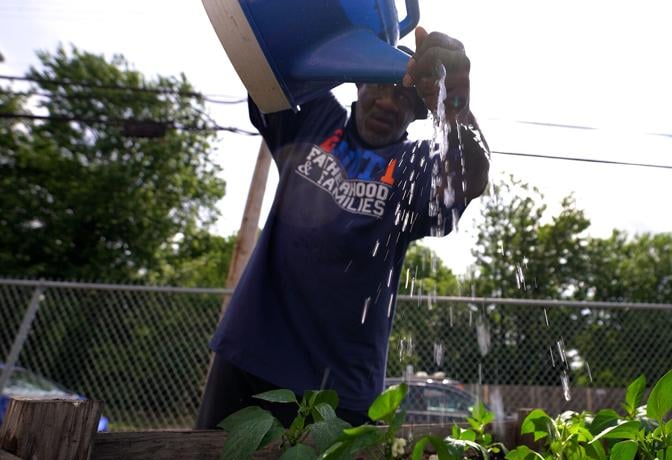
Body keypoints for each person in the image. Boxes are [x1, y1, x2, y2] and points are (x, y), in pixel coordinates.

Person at [195, 27, 490, 428]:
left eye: (404, 97)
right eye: (380, 84)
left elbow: (467, 178)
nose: (387, 101)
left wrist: (454, 107)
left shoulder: (411, 167)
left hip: (340, 391)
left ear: (419, 112)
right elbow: (266, 60)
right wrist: (338, 30)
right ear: (357, 79)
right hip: (249, 356)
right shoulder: (314, 120)